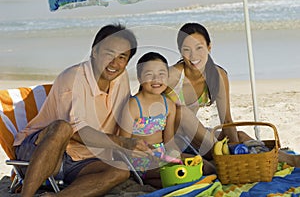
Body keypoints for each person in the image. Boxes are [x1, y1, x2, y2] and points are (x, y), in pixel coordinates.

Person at [13, 24, 152, 197]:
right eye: (109, 54)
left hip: (82, 159)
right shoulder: (73, 78)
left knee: (121, 171)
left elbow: (128, 113)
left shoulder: (120, 77)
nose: (114, 63)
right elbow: (78, 132)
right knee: (63, 127)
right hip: (42, 150)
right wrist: (123, 143)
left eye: (122, 57)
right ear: (94, 52)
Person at [166, 22, 300, 167]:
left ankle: (287, 159)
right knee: (181, 112)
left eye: (199, 47)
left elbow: (227, 120)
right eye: (187, 50)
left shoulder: (217, 76)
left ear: (209, 47)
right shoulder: (171, 76)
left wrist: (234, 141)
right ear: (180, 51)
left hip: (195, 138)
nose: (194, 55)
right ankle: (233, 156)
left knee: (239, 136)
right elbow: (142, 100)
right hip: (174, 142)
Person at [119, 52, 180, 188]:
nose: (156, 79)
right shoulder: (133, 105)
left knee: (203, 167)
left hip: (162, 155)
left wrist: (175, 156)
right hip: (139, 159)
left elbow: (169, 142)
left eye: (161, 74)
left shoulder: (169, 105)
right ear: (140, 78)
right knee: (171, 177)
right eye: (149, 74)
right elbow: (124, 143)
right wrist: (148, 154)